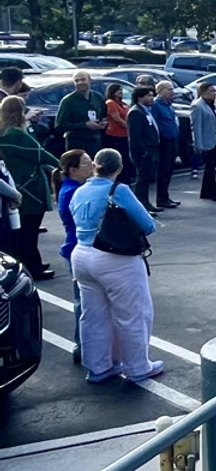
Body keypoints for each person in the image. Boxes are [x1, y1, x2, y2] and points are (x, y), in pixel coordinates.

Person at [69, 148, 162, 383]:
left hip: (81, 254)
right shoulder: (118, 190)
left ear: (94, 166)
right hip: (114, 258)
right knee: (133, 313)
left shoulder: (79, 191)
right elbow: (147, 224)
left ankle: (98, 367)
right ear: (119, 169)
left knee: (93, 315)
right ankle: (138, 367)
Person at [0, 96, 59, 280]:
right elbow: (41, 154)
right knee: (29, 232)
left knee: (22, 232)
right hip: (29, 188)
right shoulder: (16, 134)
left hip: (15, 185)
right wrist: (64, 166)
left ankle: (32, 262)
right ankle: (32, 267)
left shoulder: (4, 132)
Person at [54, 149, 92, 363]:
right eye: (87, 164)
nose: (92, 167)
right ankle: (81, 344)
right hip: (76, 249)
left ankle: (85, 343)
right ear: (73, 169)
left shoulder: (76, 188)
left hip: (76, 249)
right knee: (82, 301)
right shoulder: (72, 192)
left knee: (84, 300)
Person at [125, 86, 164, 214]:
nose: (151, 98)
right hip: (143, 152)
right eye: (148, 96)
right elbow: (135, 136)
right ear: (140, 98)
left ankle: (146, 203)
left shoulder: (146, 111)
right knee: (142, 179)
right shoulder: (136, 112)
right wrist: (144, 151)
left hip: (152, 149)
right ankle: (140, 206)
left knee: (147, 179)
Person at [190, 82, 216, 202]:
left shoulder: (213, 105)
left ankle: (206, 191)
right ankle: (215, 192)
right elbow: (196, 127)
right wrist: (198, 145)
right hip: (207, 141)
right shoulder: (197, 106)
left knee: (211, 167)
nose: (214, 93)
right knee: (210, 168)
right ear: (203, 93)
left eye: (214, 91)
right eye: (211, 91)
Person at [55, 71, 107, 156]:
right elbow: (60, 126)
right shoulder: (68, 101)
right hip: (76, 144)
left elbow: (103, 116)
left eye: (83, 79)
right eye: (76, 81)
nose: (80, 83)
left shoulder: (98, 97)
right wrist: (85, 125)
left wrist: (103, 123)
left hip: (95, 142)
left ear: (90, 80)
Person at [152, 82, 181, 209]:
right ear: (161, 90)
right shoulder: (156, 105)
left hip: (172, 140)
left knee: (169, 170)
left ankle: (166, 196)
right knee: (163, 170)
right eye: (169, 90)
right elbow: (154, 123)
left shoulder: (169, 105)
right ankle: (161, 198)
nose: (172, 92)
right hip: (163, 141)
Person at [102, 83, 132, 183]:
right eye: (118, 90)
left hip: (124, 135)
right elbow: (116, 118)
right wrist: (128, 126)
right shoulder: (110, 103)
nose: (120, 92)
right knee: (119, 157)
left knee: (126, 158)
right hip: (114, 135)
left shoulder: (123, 103)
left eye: (121, 90)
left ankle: (126, 179)